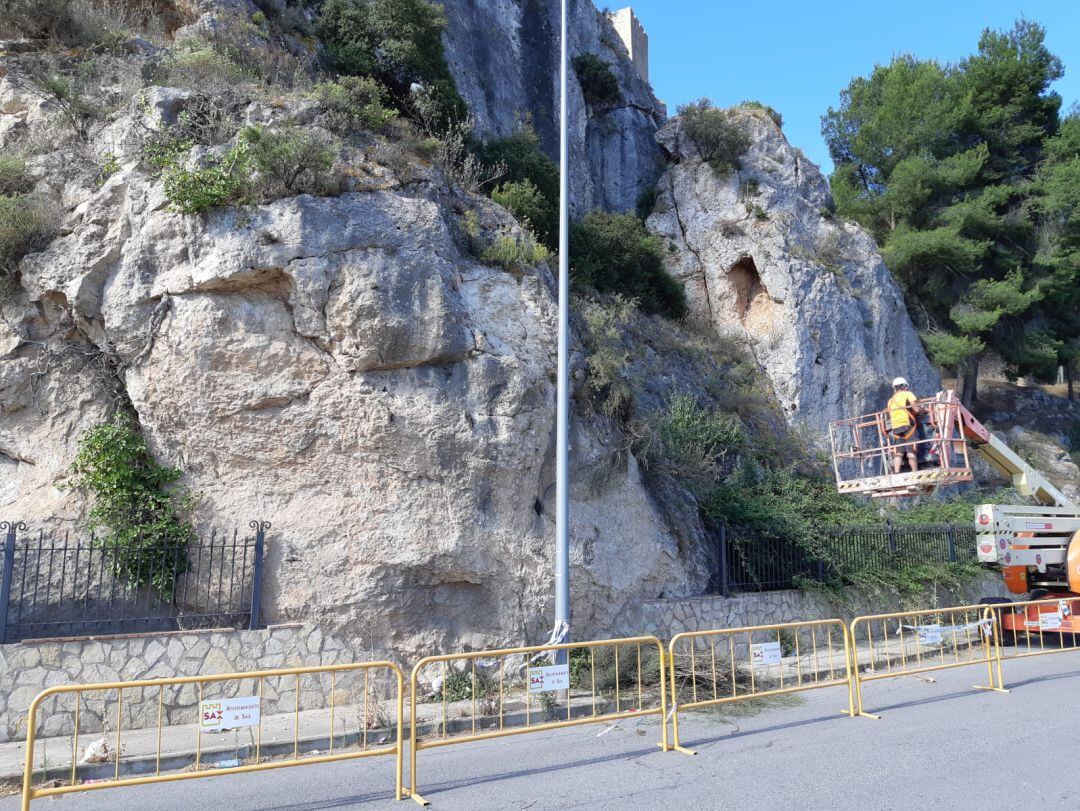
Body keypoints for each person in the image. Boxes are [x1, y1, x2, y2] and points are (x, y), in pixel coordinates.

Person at [886, 377, 919, 474]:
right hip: (907, 426)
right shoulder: (908, 394)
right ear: (905, 386)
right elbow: (917, 410)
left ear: (894, 388)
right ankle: (915, 473)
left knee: (898, 453)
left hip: (896, 428)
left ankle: (896, 474)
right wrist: (923, 410)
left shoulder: (890, 401)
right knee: (911, 452)